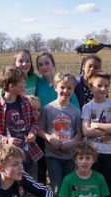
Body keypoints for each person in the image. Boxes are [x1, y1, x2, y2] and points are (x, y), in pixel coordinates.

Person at [38, 72, 83, 197]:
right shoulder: (48, 109)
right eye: (62, 87)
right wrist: (50, 138)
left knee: (69, 188)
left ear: (73, 89)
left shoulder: (75, 111)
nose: (65, 91)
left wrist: (72, 142)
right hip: (53, 155)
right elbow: (40, 129)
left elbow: (79, 133)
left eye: (69, 88)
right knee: (57, 189)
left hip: (70, 156)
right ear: (56, 87)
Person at [81, 70, 111, 197]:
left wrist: (97, 125)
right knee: (93, 181)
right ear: (91, 87)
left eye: (106, 86)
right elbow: (86, 130)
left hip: (110, 152)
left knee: (109, 180)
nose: (103, 89)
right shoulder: (87, 107)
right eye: (99, 86)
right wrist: (107, 129)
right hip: (92, 153)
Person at [0, 66, 42, 175]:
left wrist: (32, 133)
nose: (25, 85)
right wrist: (7, 140)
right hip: (7, 159)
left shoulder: (26, 102)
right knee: (6, 188)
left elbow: (34, 123)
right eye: (22, 83)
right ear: (12, 86)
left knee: (30, 188)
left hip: (27, 156)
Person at [35, 52, 80, 185]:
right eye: (40, 64)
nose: (44, 67)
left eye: (47, 63)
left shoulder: (64, 82)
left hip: (68, 147)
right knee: (43, 168)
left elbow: (77, 124)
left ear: (53, 64)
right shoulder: (37, 83)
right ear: (56, 88)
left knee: (68, 182)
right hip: (45, 133)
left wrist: (73, 141)